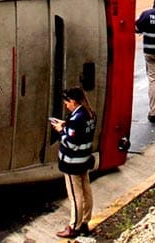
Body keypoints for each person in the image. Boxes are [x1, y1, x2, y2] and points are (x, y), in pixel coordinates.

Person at [51, 86, 96, 239]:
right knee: (86, 190)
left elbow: (71, 143)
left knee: (75, 195)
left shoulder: (77, 119)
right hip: (84, 160)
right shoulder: (89, 114)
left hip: (72, 163)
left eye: (67, 102)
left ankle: (74, 226)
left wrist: (60, 130)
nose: (66, 105)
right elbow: (80, 134)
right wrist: (66, 125)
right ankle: (84, 222)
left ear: (73, 101)